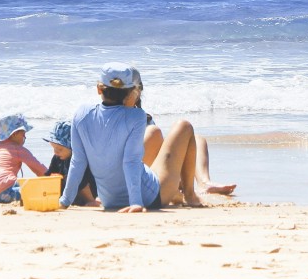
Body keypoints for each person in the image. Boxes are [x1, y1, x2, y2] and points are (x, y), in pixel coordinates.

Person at [59, 63, 204, 212]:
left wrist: (64, 201)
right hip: (151, 197)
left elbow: (78, 161)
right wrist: (136, 202)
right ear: (130, 92)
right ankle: (190, 194)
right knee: (184, 126)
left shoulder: (81, 114)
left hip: (109, 201)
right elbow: (131, 161)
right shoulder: (136, 116)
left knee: (152, 140)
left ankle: (178, 193)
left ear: (98, 89)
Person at [142, 114, 236, 195]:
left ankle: (204, 182)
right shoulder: (133, 117)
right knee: (154, 133)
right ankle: (182, 186)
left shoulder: (146, 117)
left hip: (157, 165)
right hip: (144, 173)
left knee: (197, 140)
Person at [0, 113, 48, 204]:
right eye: (23, 134)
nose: (25, 137)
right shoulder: (17, 149)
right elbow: (39, 169)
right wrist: (52, 179)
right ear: (15, 134)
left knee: (20, 185)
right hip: (6, 191)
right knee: (37, 189)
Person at [43, 120, 99, 207]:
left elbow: (81, 180)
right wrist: (51, 177)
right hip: (70, 193)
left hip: (88, 189)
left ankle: (92, 201)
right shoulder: (57, 158)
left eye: (60, 149)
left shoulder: (80, 160)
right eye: (53, 148)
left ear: (73, 147)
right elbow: (47, 175)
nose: (56, 152)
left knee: (76, 177)